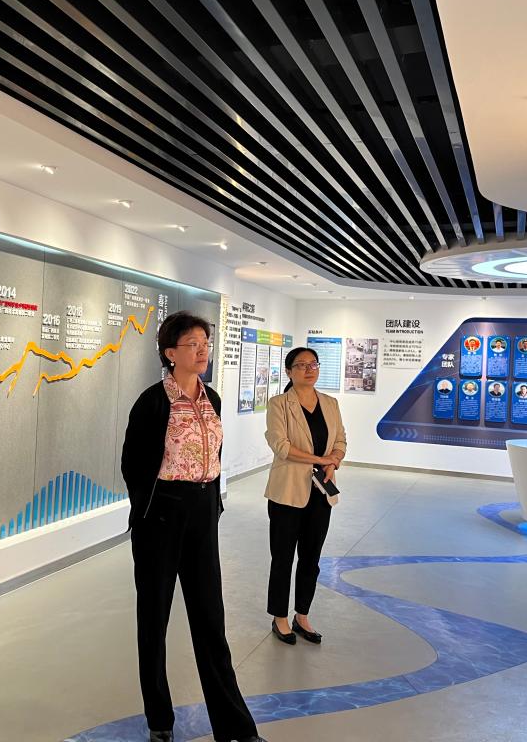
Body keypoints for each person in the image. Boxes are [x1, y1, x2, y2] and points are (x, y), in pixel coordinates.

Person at [121, 312, 266, 742]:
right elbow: (133, 464)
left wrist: (210, 503)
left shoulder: (212, 398)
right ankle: (159, 720)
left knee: (210, 619)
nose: (203, 351)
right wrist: (150, 510)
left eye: (206, 343)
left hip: (203, 513)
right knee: (154, 620)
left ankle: (235, 727)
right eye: (193, 344)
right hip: (162, 516)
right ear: (170, 352)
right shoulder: (152, 402)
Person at [264, 348, 346, 647]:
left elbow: (340, 440)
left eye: (313, 364)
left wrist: (333, 462)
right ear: (289, 372)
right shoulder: (279, 404)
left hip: (320, 492)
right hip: (287, 492)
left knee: (311, 558)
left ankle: (302, 615)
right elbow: (281, 446)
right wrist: (320, 460)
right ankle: (280, 617)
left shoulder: (330, 403)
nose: (309, 370)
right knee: (283, 557)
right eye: (301, 365)